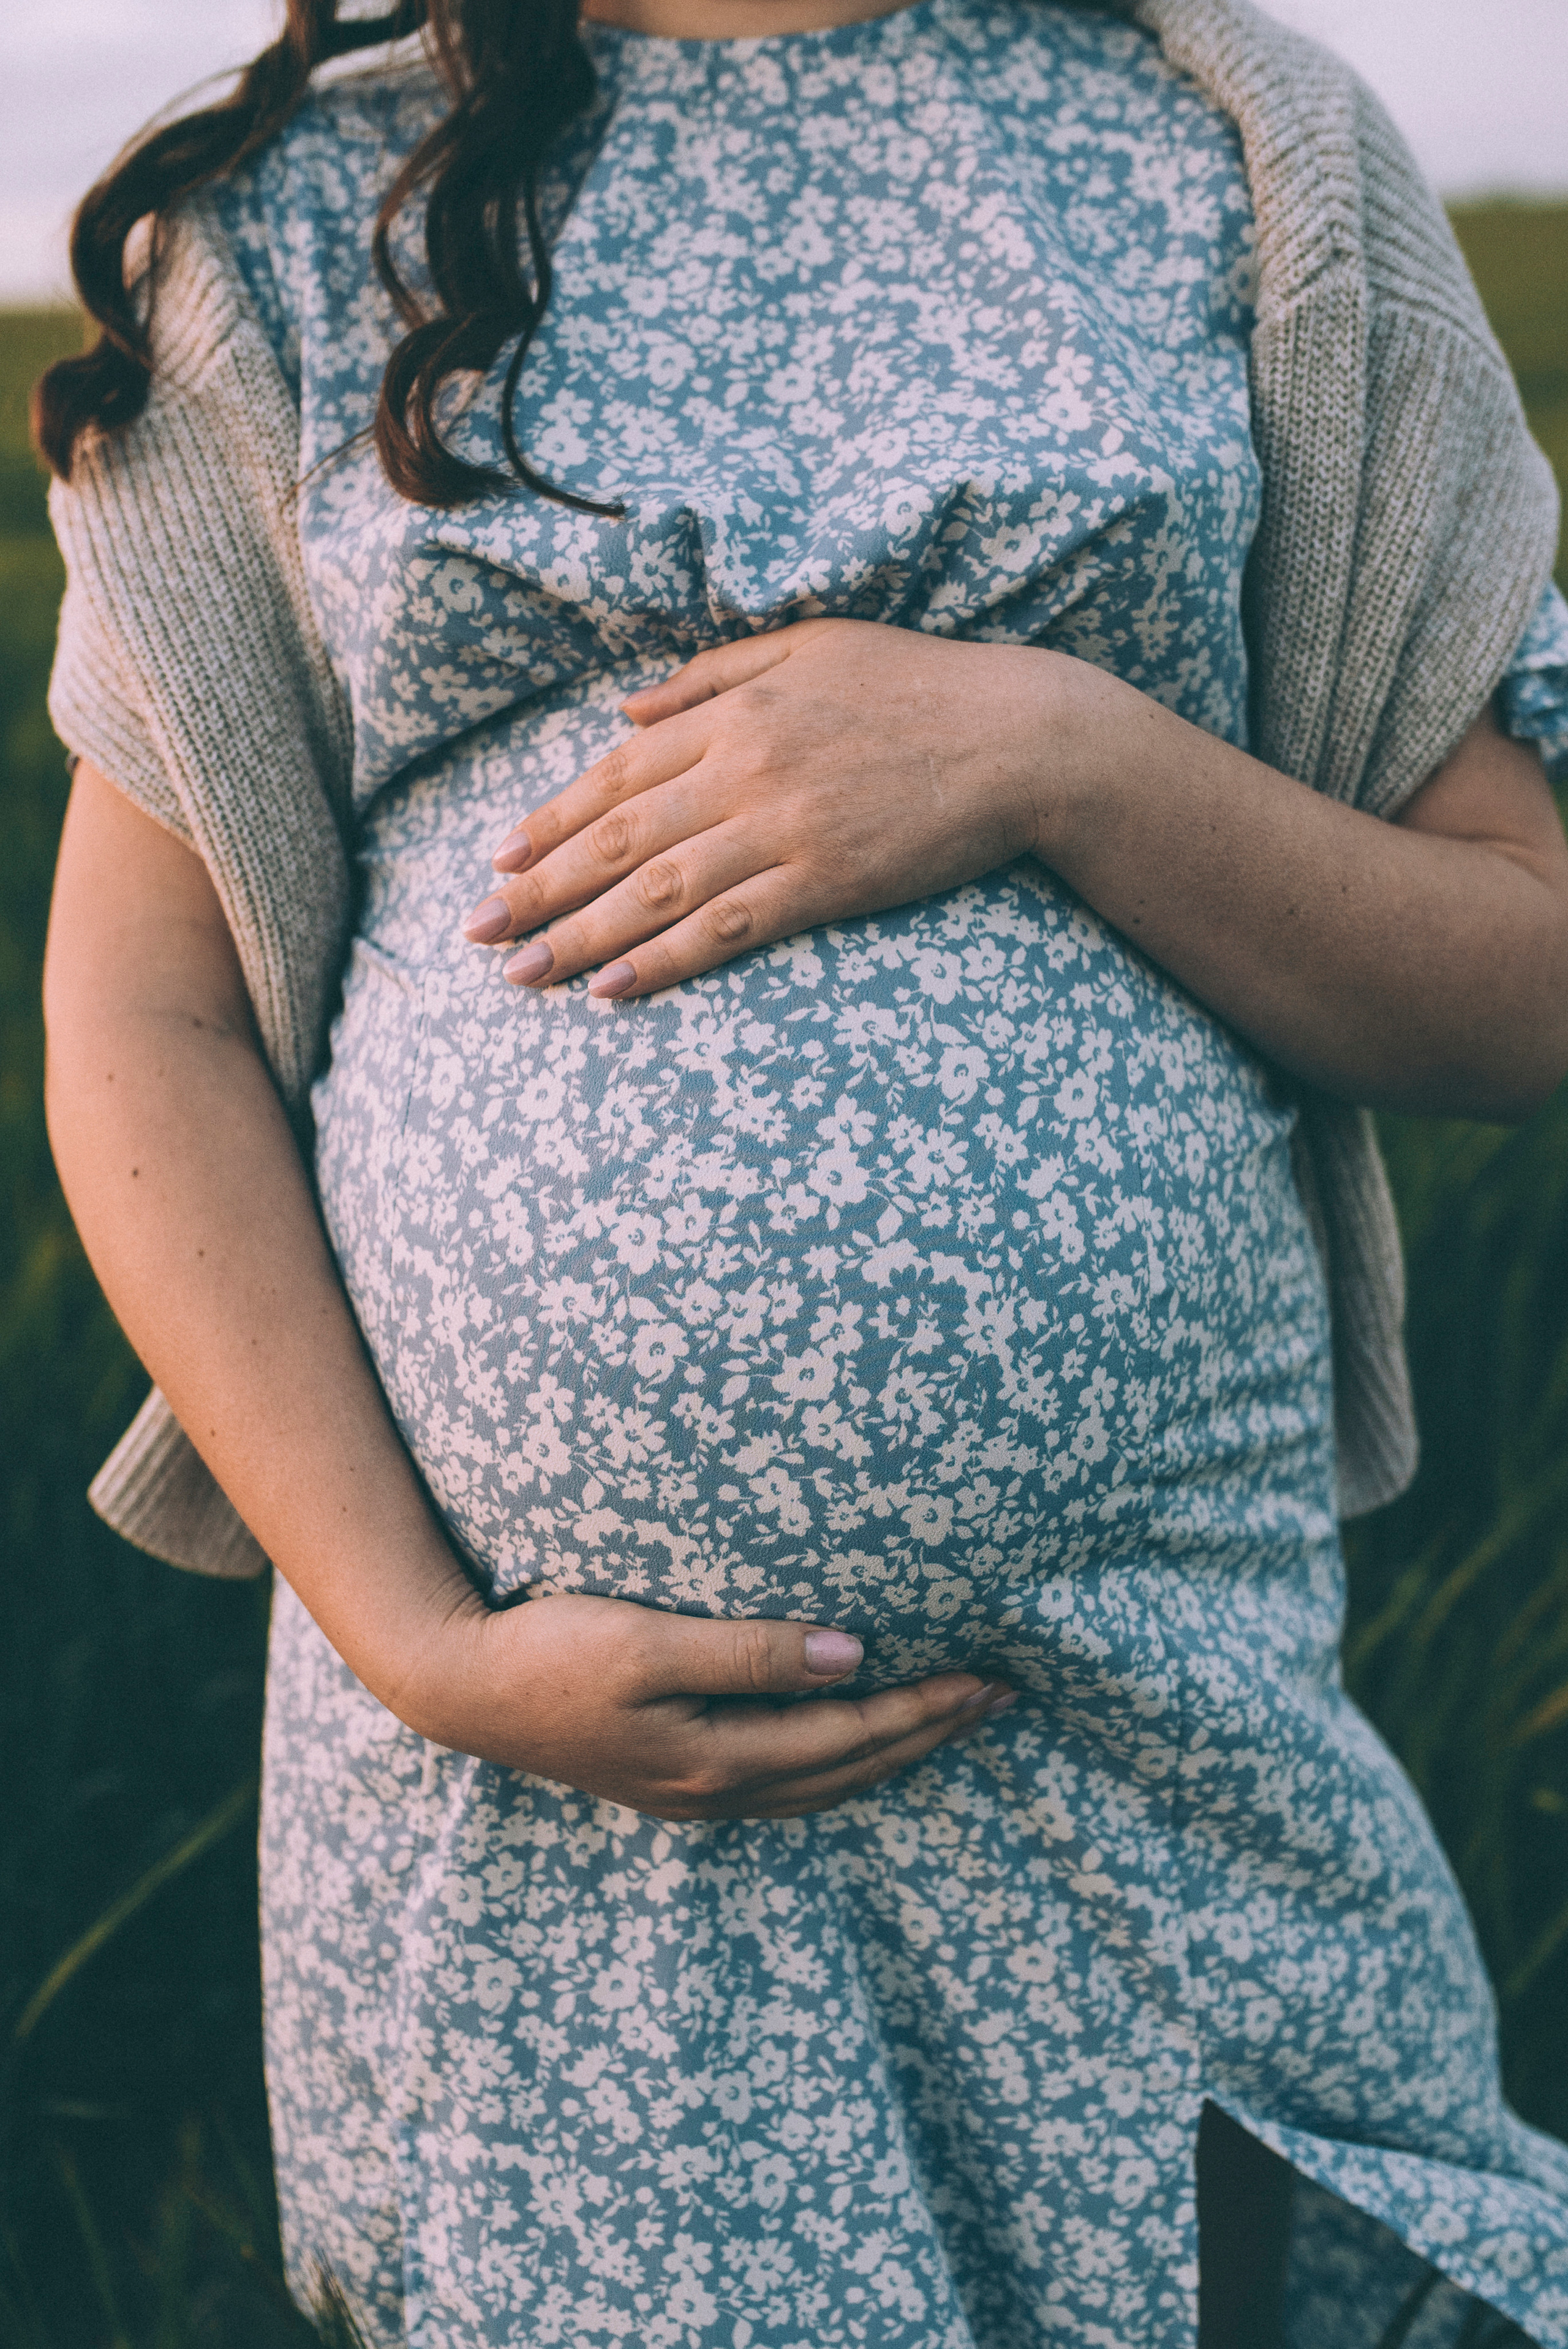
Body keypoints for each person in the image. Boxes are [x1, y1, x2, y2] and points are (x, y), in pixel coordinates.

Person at [34, 0, 1568, 2339]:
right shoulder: (286, 230)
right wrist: (422, 1641)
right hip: (544, 1812)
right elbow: (142, 1022)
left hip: (1137, 1750)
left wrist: (1062, 757)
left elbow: (1530, 975)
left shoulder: (1239, 158)